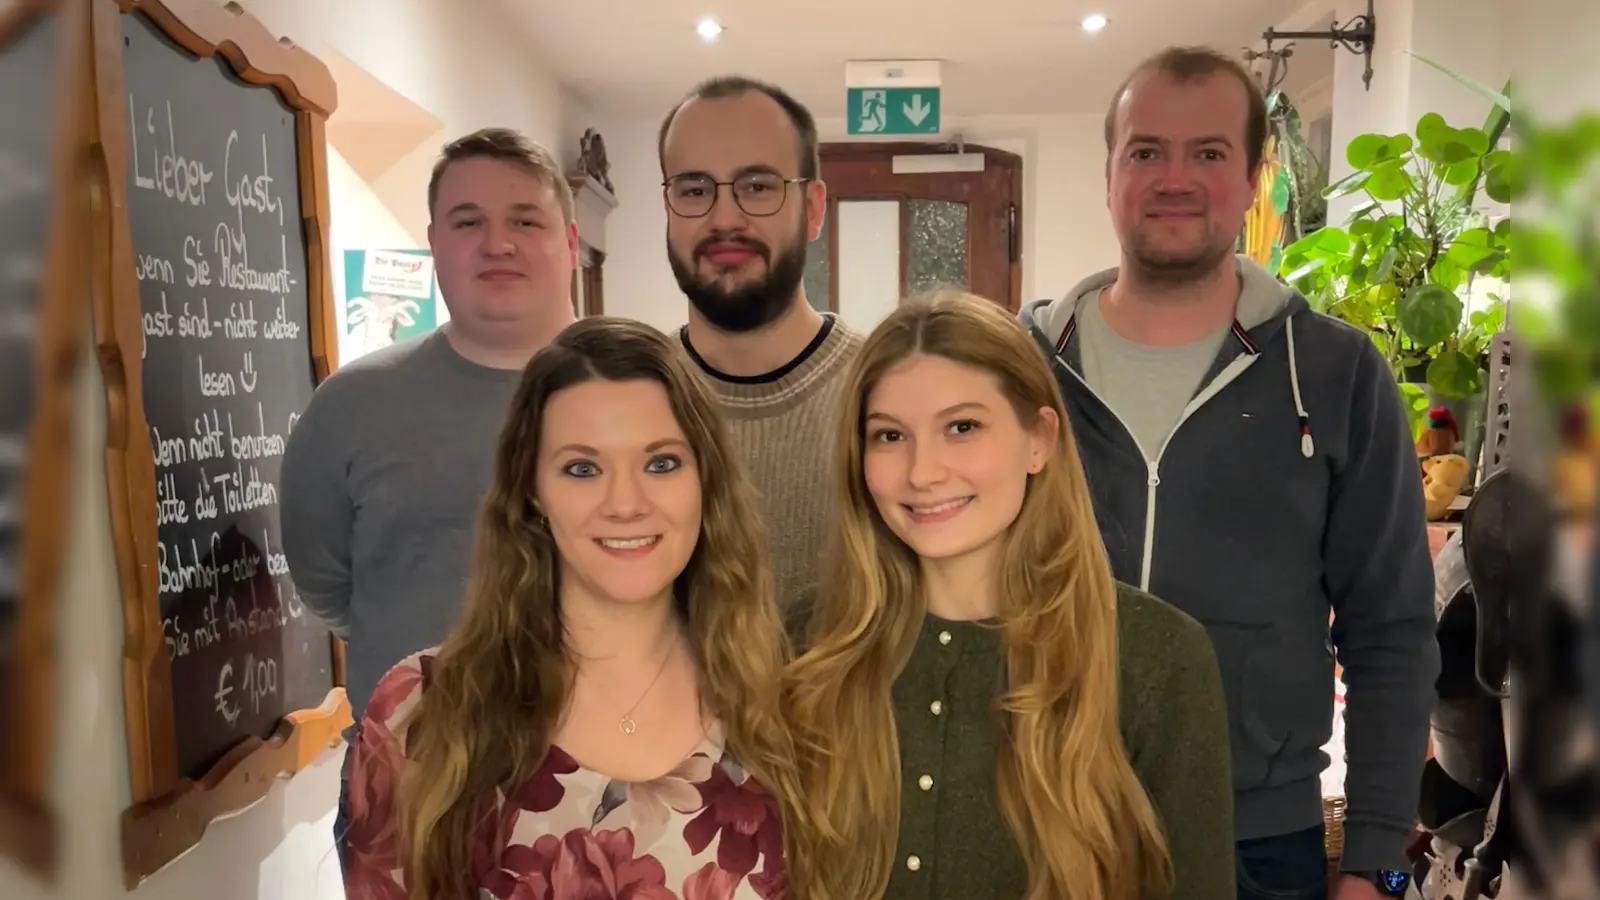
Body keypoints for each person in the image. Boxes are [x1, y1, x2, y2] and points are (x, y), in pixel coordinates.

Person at [1019, 46, 1439, 900]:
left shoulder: (1336, 372)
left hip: (1256, 847)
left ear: (1253, 180)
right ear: (1108, 177)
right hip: (1040, 822)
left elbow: (1390, 629)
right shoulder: (1023, 367)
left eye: (1207, 153)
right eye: (1146, 152)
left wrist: (1377, 864)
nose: (1175, 178)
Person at [784, 291, 1235, 900]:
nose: (922, 472)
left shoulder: (1159, 656)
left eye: (962, 427)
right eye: (889, 436)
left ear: (1039, 440)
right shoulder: (807, 641)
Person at [340, 317, 805, 900]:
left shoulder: (787, 714)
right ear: (532, 491)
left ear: (706, 480)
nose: (626, 504)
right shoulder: (422, 713)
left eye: (661, 463)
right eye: (582, 469)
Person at [278, 127, 580, 873]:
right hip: (413, 792)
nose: (497, 242)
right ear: (434, 243)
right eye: (468, 221)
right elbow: (328, 584)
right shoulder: (350, 406)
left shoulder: (647, 393)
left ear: (570, 241)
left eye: (525, 220)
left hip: (607, 787)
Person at [658, 75, 864, 612]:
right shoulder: (626, 399)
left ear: (813, 209)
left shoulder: (885, 396)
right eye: (695, 189)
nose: (725, 219)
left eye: (758, 186)